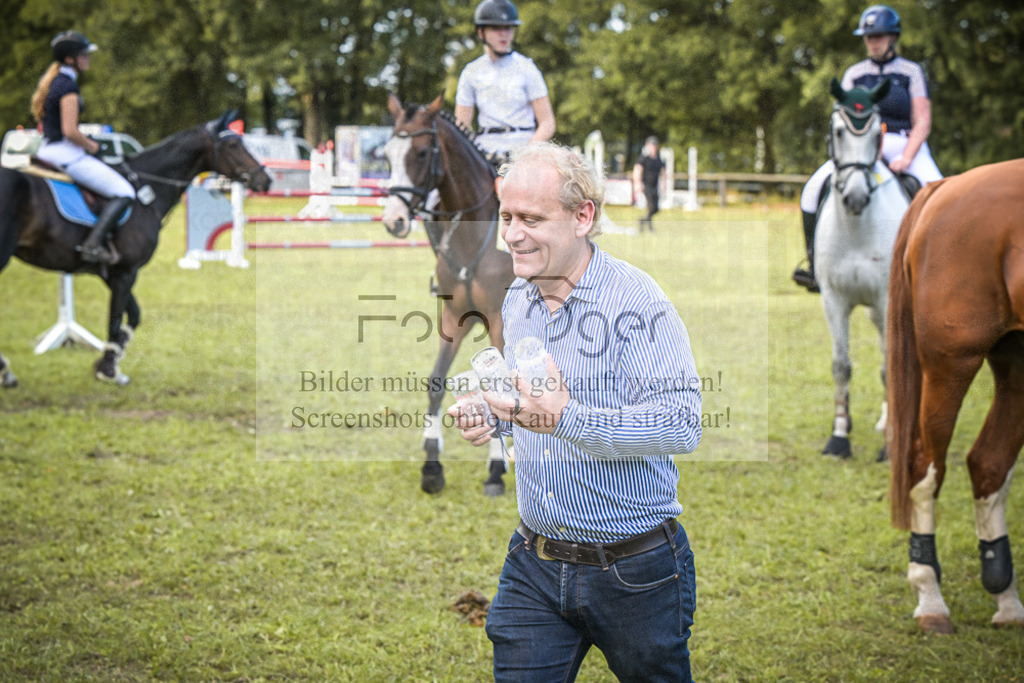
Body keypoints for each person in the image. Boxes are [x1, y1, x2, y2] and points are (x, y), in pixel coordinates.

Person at [447, 142, 702, 682]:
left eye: (531, 219)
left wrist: (568, 419)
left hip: (635, 571)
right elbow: (532, 399)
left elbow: (682, 423)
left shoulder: (637, 302)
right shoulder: (518, 297)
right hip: (533, 562)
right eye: (507, 217)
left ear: (583, 216)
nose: (512, 234)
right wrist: (493, 412)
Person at [792, 4, 942, 292]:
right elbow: (843, 119)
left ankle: (938, 268)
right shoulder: (854, 74)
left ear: (892, 38)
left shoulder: (910, 72)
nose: (873, 42)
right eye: (869, 37)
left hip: (902, 142)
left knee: (937, 192)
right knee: (812, 189)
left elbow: (922, 120)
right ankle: (815, 267)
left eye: (879, 36)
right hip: (860, 147)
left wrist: (907, 157)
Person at [31, 30, 135, 265]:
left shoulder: (56, 82)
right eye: (83, 54)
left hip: (50, 149)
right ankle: (92, 245)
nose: (87, 58)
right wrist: (92, 146)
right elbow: (69, 130)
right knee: (125, 191)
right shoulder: (66, 86)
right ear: (70, 59)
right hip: (66, 153)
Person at [454, 0, 555, 162]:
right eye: (495, 28)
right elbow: (461, 126)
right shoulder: (470, 72)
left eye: (508, 28)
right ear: (481, 33)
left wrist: (526, 152)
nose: (503, 34)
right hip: (485, 151)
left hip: (524, 147)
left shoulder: (527, 68)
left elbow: (547, 122)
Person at [632, 135, 668, 232]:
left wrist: (664, 185)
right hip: (646, 185)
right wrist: (637, 184)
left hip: (654, 186)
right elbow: (637, 170)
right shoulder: (643, 158)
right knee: (651, 207)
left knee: (656, 208)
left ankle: (643, 221)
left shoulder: (658, 159)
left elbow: (663, 172)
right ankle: (650, 227)